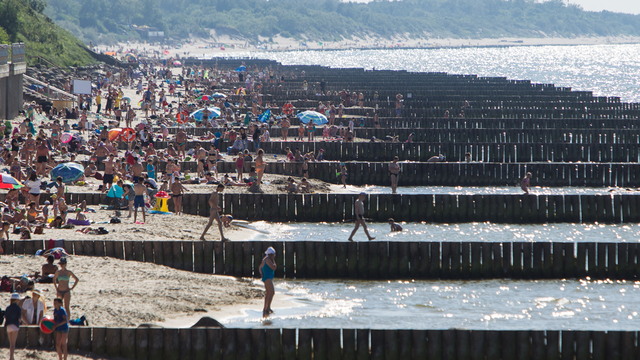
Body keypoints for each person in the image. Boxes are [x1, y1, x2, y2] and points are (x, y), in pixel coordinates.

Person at [259, 247, 276, 318]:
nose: (274, 255)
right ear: (271, 254)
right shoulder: (268, 260)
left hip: (267, 277)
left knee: (269, 293)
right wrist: (274, 262)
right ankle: (267, 307)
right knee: (271, 292)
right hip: (268, 278)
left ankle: (266, 308)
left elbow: (260, 268)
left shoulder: (265, 259)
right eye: (273, 254)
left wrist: (261, 273)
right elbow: (274, 267)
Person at [5, 292, 22, 360]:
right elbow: (19, 319)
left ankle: (11, 357)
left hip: (8, 326)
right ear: (17, 300)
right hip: (15, 325)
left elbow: (6, 317)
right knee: (13, 343)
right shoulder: (18, 308)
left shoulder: (8, 307)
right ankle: (11, 357)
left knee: (10, 343)